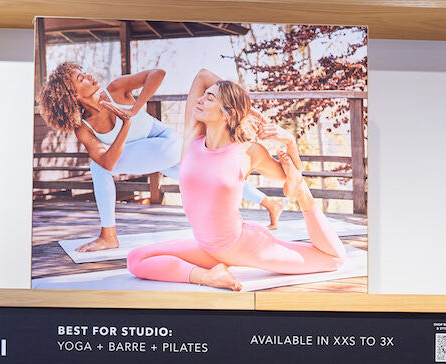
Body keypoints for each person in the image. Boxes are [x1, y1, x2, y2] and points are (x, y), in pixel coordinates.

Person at [126, 69, 347, 291]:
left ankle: (209, 274)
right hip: (207, 249)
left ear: (226, 113)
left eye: (210, 97)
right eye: (204, 95)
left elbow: (292, 183)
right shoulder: (192, 138)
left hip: (246, 246)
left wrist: (290, 142)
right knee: (136, 259)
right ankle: (209, 276)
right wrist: (246, 108)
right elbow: (201, 75)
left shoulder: (248, 152)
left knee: (332, 259)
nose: (200, 99)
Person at [39, 63, 283, 253]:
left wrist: (134, 110)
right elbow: (109, 162)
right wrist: (126, 124)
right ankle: (271, 203)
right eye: (81, 78)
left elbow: (157, 73)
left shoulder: (115, 89)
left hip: (167, 145)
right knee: (207, 175)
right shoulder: (83, 127)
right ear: (71, 94)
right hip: (151, 153)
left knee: (98, 166)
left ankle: (108, 235)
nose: (90, 76)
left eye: (84, 72)